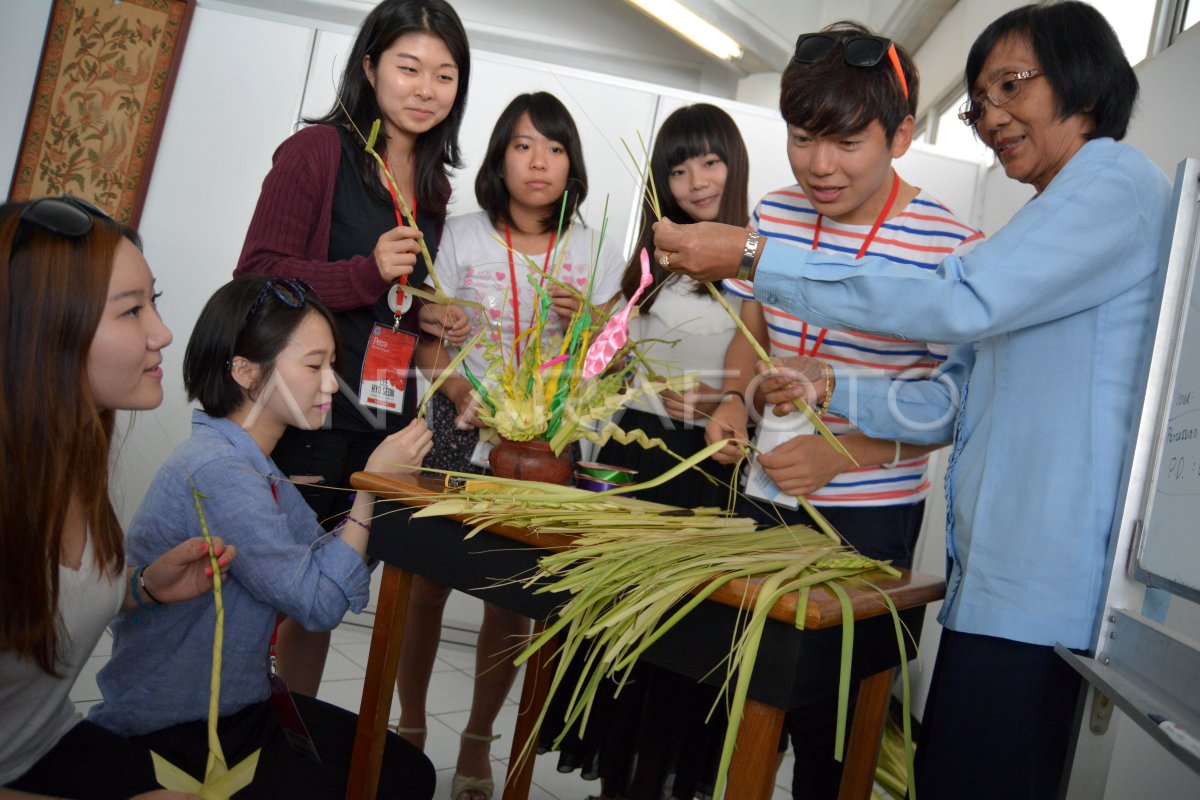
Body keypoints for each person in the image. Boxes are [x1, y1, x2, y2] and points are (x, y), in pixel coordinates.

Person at [655, 4, 1170, 798]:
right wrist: (830, 384)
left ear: (1088, 77)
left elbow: (958, 303)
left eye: (1011, 85)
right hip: (995, 574)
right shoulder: (1053, 212)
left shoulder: (1109, 183)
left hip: (1032, 578)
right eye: (980, 101)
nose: (992, 116)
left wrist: (758, 257)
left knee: (869, 743)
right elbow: (962, 390)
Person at [697, 23, 981, 798]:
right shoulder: (775, 217)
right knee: (742, 703)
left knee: (833, 728)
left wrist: (843, 453)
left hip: (871, 519)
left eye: (846, 142)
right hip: (765, 494)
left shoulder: (951, 249)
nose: (819, 165)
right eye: (801, 137)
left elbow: (953, 408)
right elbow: (751, 329)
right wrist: (731, 398)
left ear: (901, 135)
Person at [89, 276, 435, 799]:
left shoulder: (254, 465)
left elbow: (327, 570)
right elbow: (319, 605)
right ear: (246, 372)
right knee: (393, 782)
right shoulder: (220, 471)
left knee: (407, 773)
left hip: (239, 710)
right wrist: (369, 489)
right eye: (314, 365)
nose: (330, 385)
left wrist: (373, 503)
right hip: (179, 730)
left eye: (331, 365)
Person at [234, 0, 470, 696]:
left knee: (325, 601)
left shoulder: (430, 185)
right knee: (269, 592)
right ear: (369, 68)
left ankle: (291, 734)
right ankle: (231, 729)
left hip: (380, 420)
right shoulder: (317, 153)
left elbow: (388, 308)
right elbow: (256, 275)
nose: (426, 88)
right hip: (307, 417)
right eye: (409, 67)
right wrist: (364, 271)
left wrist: (434, 319)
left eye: (446, 74)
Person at [406, 91, 624, 800]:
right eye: (524, 145)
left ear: (572, 165)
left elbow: (613, 368)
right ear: (501, 156)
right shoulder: (463, 235)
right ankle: (408, 730)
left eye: (555, 148)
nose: (539, 162)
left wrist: (595, 325)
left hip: (542, 448)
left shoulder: (590, 250)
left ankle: (476, 742)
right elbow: (429, 348)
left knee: (510, 599)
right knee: (423, 586)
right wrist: (462, 397)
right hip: (456, 428)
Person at [545, 103, 751, 799]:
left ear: (735, 166)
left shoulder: (757, 265)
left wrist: (729, 402)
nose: (696, 180)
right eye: (679, 167)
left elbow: (765, 377)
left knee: (679, 649)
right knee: (621, 645)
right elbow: (608, 366)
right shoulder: (650, 262)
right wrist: (596, 327)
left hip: (705, 473)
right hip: (636, 467)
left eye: (710, 162)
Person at [0, 196, 235, 799]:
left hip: (46, 745)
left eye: (151, 302)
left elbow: (45, 600)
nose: (162, 331)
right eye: (131, 311)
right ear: (41, 329)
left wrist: (141, 588)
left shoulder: (71, 454)